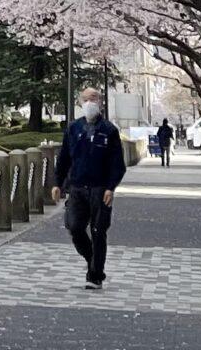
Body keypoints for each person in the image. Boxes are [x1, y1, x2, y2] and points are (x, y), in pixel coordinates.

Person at [53, 85, 126, 287]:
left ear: (100, 102)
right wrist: (57, 183)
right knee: (75, 227)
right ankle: (92, 259)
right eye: (85, 99)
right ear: (79, 102)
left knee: (98, 230)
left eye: (93, 99)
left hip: (100, 188)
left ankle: (95, 275)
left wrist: (111, 187)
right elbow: (64, 159)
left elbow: (117, 163)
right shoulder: (73, 128)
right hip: (77, 187)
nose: (89, 103)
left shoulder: (109, 130)